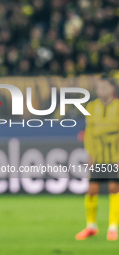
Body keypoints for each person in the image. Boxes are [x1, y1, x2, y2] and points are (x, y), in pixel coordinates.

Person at [75, 77, 119, 241]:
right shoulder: (92, 107)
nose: (101, 91)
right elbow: (90, 133)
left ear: (111, 89)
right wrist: (90, 154)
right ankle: (91, 227)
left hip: (114, 157)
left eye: (104, 87)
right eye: (99, 88)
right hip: (98, 157)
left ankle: (113, 227)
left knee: (114, 189)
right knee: (92, 190)